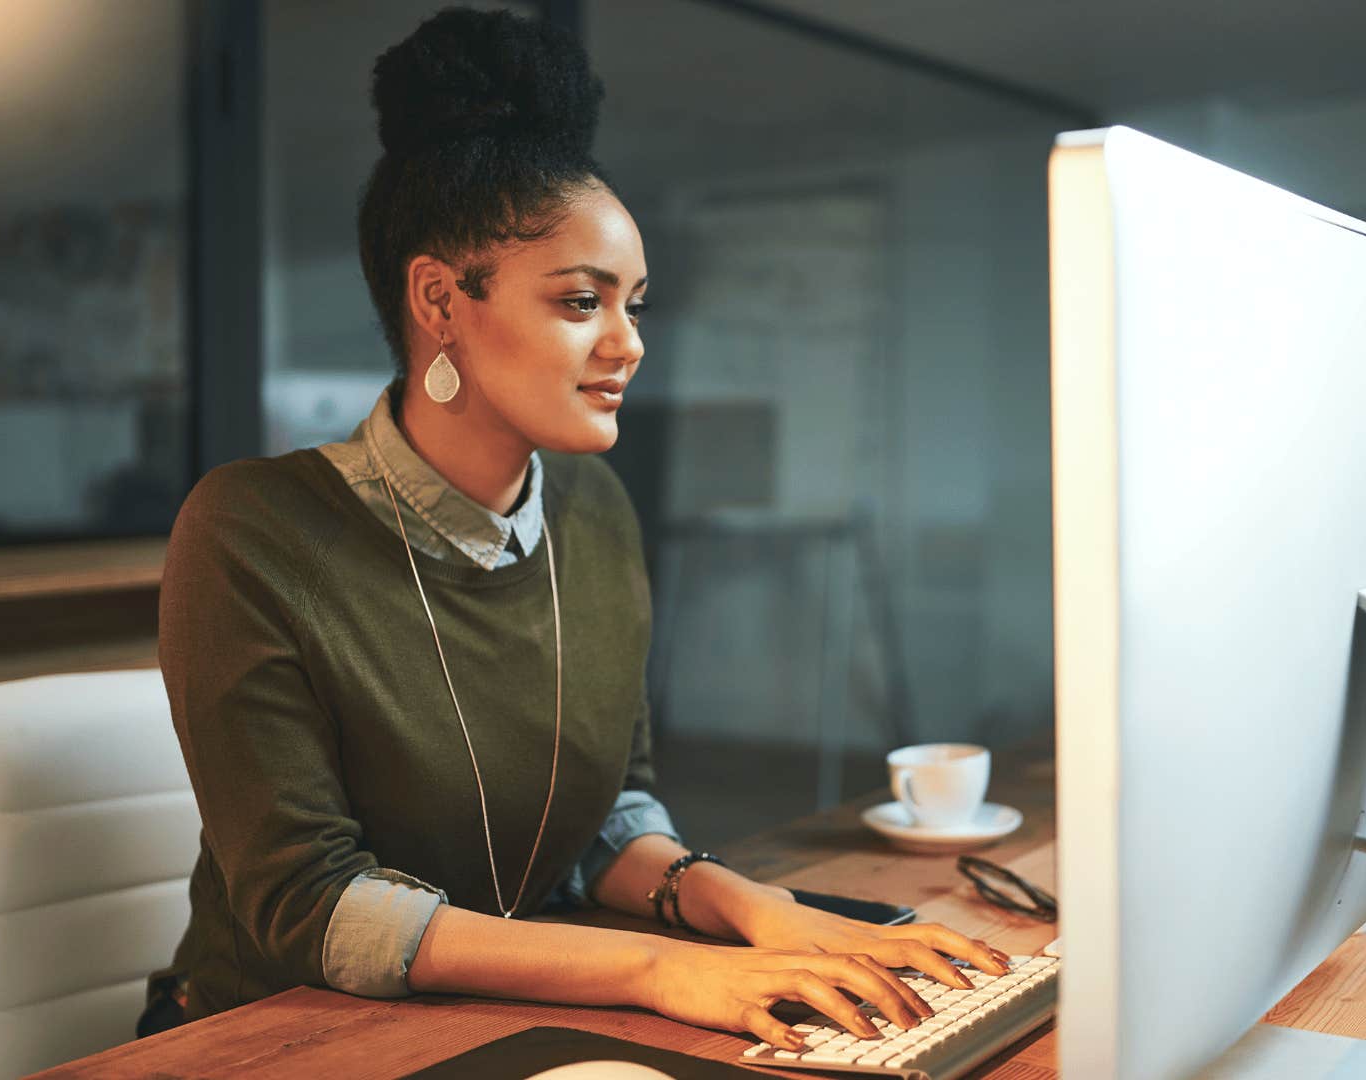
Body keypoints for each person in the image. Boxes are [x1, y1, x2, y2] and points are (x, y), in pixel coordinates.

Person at [145, 6, 1007, 1053]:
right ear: (440, 300)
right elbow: (311, 908)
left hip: (505, 1007)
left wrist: (749, 911)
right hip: (272, 1038)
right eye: (581, 301)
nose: (628, 343)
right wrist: (657, 967)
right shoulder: (253, 530)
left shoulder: (594, 510)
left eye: (635, 304)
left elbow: (606, 816)